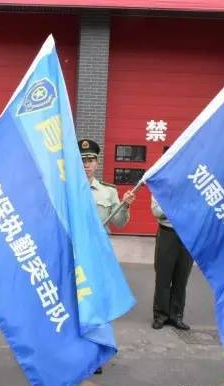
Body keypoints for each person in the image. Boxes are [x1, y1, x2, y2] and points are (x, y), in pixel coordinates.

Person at [78, 138, 135, 374]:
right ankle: (78, 353)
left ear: (96, 162)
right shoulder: (67, 189)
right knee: (77, 304)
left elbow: (119, 223)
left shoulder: (108, 191)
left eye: (90, 160)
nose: (86, 165)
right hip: (75, 255)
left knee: (97, 304)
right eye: (82, 161)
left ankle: (96, 352)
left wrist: (126, 205)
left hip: (98, 256)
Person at [151, 195, 193, 331]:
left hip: (187, 235)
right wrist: (178, 205)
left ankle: (177, 316)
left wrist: (171, 207)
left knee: (181, 278)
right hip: (167, 234)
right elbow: (156, 211)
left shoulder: (193, 189)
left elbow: (198, 210)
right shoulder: (161, 187)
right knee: (163, 277)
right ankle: (160, 316)